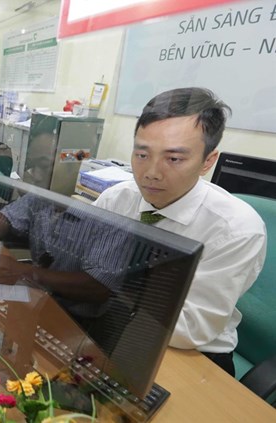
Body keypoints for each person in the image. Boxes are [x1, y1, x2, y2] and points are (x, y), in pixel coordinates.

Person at [93, 87, 267, 376]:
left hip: (193, 353)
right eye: (142, 154)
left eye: (173, 159)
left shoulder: (236, 230)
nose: (151, 172)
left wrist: (92, 288)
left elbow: (189, 328)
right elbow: (80, 260)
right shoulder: (117, 198)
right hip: (110, 323)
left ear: (208, 161)